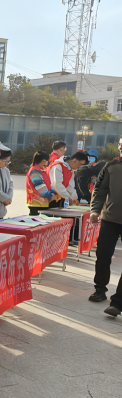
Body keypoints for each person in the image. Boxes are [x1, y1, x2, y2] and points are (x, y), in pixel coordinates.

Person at [89, 136, 122, 317]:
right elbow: (100, 190)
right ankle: (100, 289)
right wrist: (95, 210)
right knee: (102, 255)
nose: (120, 148)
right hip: (110, 219)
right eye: (120, 145)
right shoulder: (111, 167)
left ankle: (118, 302)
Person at [26, 151, 57, 216]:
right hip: (36, 203)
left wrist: (53, 191)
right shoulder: (34, 171)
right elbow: (40, 187)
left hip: (42, 203)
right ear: (43, 160)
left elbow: (48, 183)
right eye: (47, 161)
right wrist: (51, 195)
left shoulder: (41, 170)